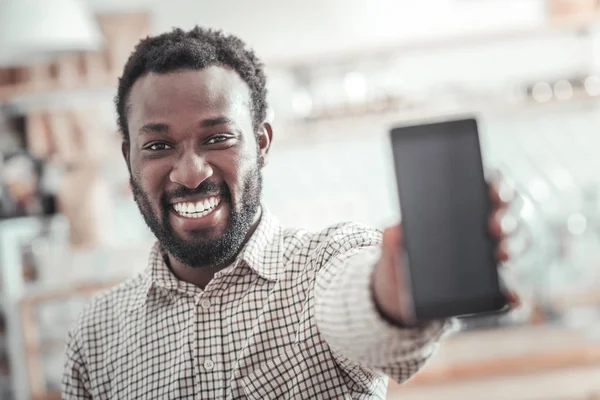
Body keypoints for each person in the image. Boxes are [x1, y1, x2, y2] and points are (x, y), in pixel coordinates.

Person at [62, 27, 515, 399]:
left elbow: (358, 303)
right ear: (129, 159)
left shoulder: (324, 263)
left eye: (218, 138)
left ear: (261, 143)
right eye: (159, 146)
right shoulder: (96, 334)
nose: (191, 173)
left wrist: (393, 296)